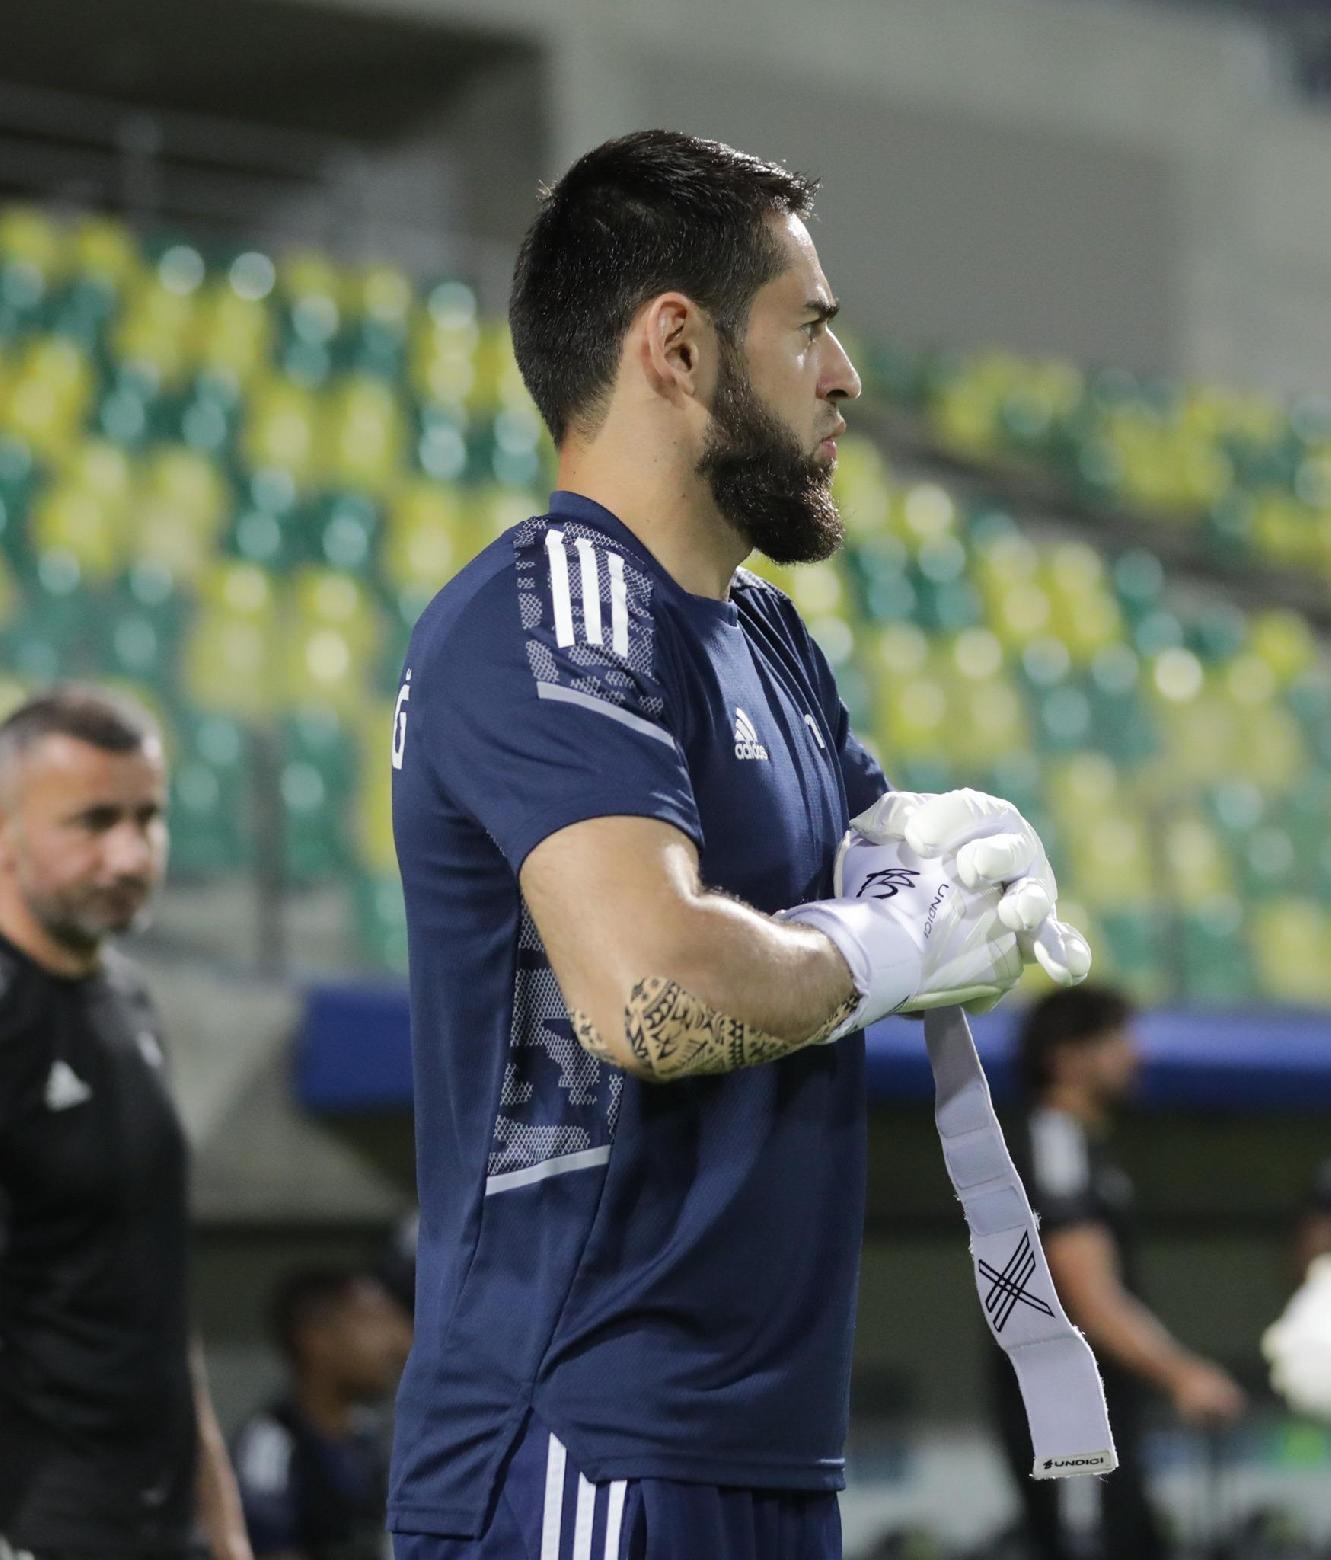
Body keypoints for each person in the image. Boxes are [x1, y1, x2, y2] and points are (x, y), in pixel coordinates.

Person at [389, 129, 1086, 1560]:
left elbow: (882, 898)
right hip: (581, 1441)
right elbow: (654, 989)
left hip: (755, 1443)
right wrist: (883, 946)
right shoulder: (558, 609)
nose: (843, 376)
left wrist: (951, 868)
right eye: (807, 328)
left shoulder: (763, 635)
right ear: (676, 347)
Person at [0, 685, 250, 1558]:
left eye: (149, 818)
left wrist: (222, 1525)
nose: (132, 853)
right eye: (93, 822)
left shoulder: (128, 1002)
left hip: (157, 1525)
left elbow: (156, 1295)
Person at [989, 985, 1246, 1560]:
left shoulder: (1078, 1146)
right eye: (1116, 1039)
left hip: (1094, 1419)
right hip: (1071, 1422)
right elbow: (1089, 1295)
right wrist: (1182, 1375)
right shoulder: (1056, 1144)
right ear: (1067, 1056)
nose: (1136, 1053)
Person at [231, 1266, 412, 1559]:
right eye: (372, 1320)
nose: (394, 1341)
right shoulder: (270, 1445)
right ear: (317, 1338)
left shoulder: (373, 1440)